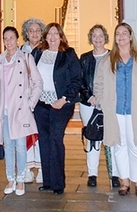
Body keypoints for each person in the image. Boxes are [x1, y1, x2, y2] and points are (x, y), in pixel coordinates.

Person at [94, 22, 137, 197]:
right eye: (117, 34)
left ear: (130, 36)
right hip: (114, 110)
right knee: (118, 146)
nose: (121, 37)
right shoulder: (108, 60)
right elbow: (98, 83)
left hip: (135, 109)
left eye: (124, 33)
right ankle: (124, 182)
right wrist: (101, 100)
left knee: (136, 145)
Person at [31, 22, 82, 194]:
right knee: (44, 142)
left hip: (61, 104)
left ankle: (58, 184)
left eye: (56, 34)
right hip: (41, 104)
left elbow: (77, 79)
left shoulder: (68, 54)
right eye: (49, 34)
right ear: (45, 36)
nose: (52, 37)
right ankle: (48, 182)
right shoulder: (37, 53)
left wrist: (64, 99)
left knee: (55, 140)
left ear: (61, 36)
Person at [0, 25, 42, 196]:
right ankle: (10, 178)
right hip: (3, 110)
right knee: (8, 146)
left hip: (20, 109)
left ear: (18, 40)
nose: (8, 41)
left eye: (12, 38)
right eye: (5, 38)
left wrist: (30, 103)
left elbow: (37, 83)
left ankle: (20, 180)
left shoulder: (26, 58)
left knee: (20, 146)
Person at [78, 24, 117, 188]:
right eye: (94, 35)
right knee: (92, 138)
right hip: (89, 104)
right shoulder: (84, 58)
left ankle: (115, 173)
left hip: (109, 104)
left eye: (100, 35)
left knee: (112, 138)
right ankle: (92, 174)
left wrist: (106, 98)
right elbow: (80, 81)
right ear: (90, 38)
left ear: (105, 37)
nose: (98, 39)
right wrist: (90, 96)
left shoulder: (113, 57)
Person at [19, 16, 46, 183]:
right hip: (24, 99)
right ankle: (28, 168)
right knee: (26, 133)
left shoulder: (47, 50)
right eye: (31, 31)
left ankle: (43, 169)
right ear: (26, 33)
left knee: (42, 135)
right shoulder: (20, 51)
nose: (34, 33)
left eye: (38, 30)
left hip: (43, 99)